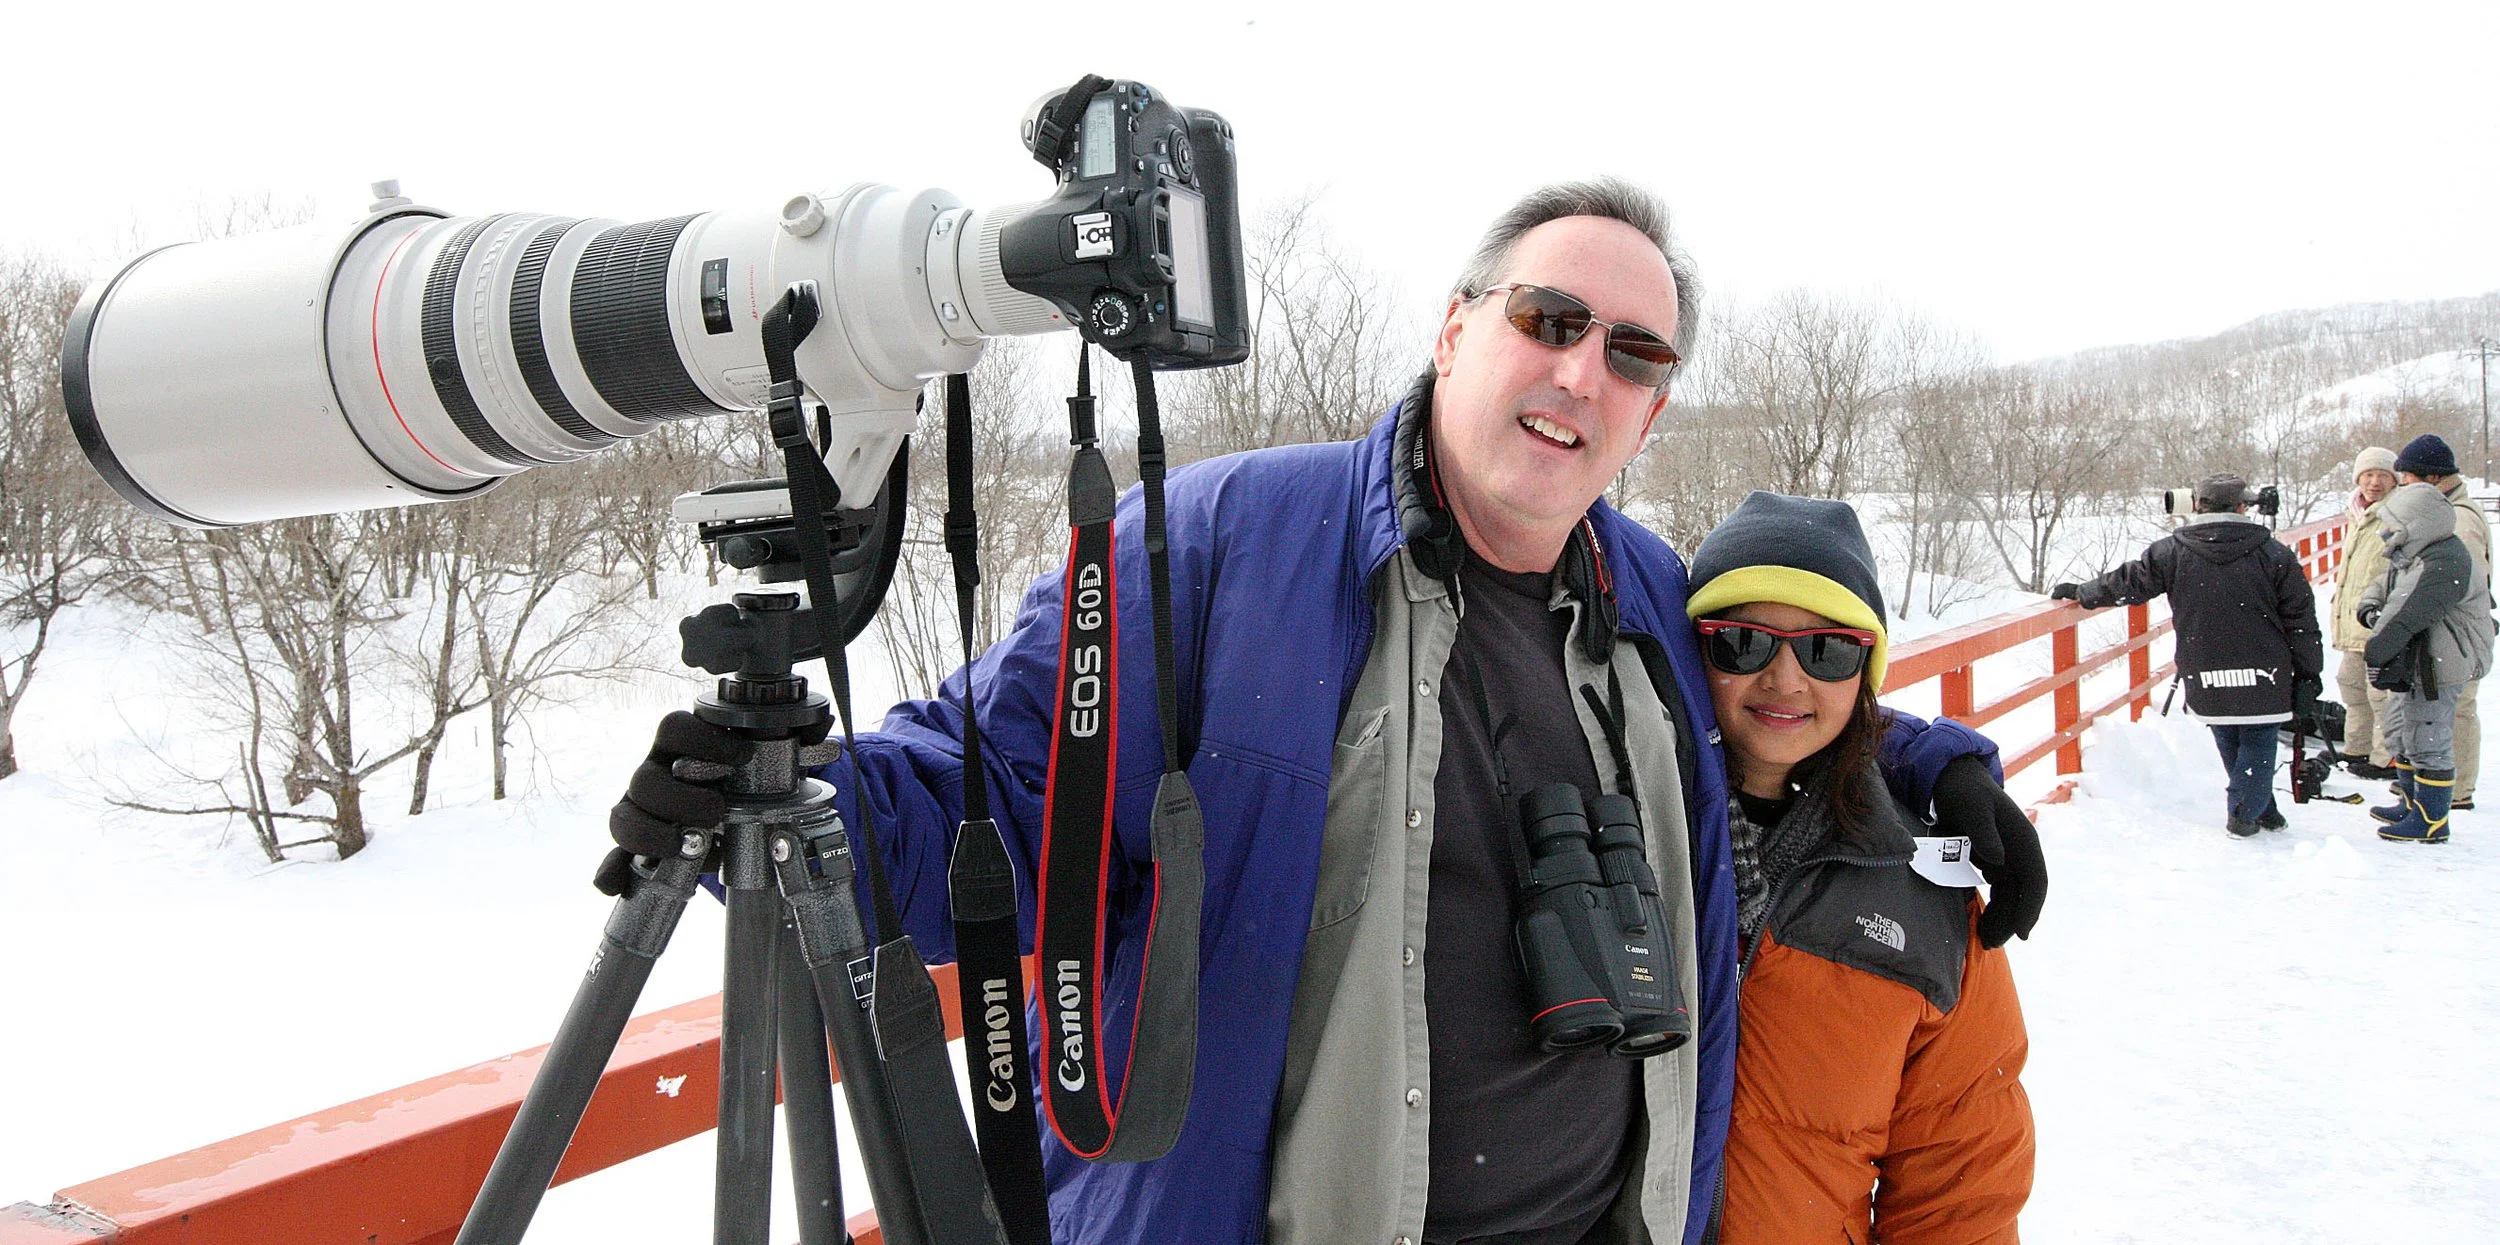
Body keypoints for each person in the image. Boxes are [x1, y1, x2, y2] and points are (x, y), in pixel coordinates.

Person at [602, 180, 2042, 1245]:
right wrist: (810, 795)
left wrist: (1933, 769)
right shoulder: (1226, 544)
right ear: (1458, 329)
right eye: (1550, 320)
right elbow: (1011, 776)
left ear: (1652, 410)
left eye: (1634, 353)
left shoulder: (1653, 589)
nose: (1581, 371)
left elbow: (1774, 708)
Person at [1687, 492, 2032, 1245]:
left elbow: (1958, 1196)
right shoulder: (1629, 827)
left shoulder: (1924, 895)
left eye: (1828, 650)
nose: (1784, 679)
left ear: (1865, 673)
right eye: (1741, 642)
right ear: (1694, 650)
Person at [2053, 474, 2324, 837]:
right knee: (2259, 733)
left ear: (2197, 505)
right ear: (2244, 507)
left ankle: (2261, 807)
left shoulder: (2172, 551)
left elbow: (2130, 582)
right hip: (2265, 664)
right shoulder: (2273, 553)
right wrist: (2309, 673)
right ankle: (2245, 811)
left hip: (2204, 660)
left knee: (2226, 728)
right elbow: (2301, 620)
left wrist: (2085, 593)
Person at [2358, 480, 2495, 844]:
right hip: (2418, 658)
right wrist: (2370, 608)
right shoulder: (2414, 551)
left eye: (2394, 524)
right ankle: (2410, 802)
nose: (2387, 532)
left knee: (2427, 738)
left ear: (2416, 523)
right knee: (2401, 730)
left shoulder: (2443, 560)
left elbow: (2407, 611)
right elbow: (2384, 584)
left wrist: (2378, 644)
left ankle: (2433, 819)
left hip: (2441, 663)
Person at [2392, 434, 2489, 810]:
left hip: (2454, 637)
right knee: (2443, 714)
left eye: (2409, 481)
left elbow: (2460, 584)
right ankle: (2433, 791)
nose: (2404, 490)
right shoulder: (2448, 510)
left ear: (2432, 480)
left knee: (2452, 712)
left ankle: (2454, 793)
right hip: (2450, 636)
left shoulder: (2456, 519)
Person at [2330, 447, 2400, 779]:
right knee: (2352, 688)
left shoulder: (2396, 515)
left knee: (2381, 695)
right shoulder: (2356, 515)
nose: (2374, 482)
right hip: (2351, 622)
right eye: (2368, 475)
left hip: (2378, 622)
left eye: (2382, 475)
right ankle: (2356, 749)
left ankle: (2385, 758)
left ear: (2394, 480)